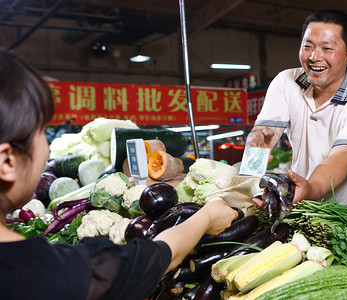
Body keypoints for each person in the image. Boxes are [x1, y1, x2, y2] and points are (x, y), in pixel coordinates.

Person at [0, 49, 238, 299]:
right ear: (7, 161)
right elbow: (152, 259)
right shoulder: (43, 274)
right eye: (42, 131)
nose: (47, 146)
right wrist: (207, 216)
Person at [247, 8, 347, 218]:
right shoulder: (286, 82)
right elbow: (265, 133)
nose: (315, 57)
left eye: (327, 48)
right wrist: (255, 144)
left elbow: (341, 158)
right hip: (304, 208)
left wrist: (310, 189)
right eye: (308, 46)